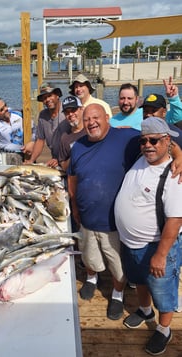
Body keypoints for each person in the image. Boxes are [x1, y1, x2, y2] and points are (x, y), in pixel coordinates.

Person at [67, 104, 182, 321]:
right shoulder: (79, 146)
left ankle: (118, 295)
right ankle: (92, 279)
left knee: (118, 267)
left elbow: (160, 137)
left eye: (96, 117)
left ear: (107, 118)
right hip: (87, 219)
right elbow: (72, 176)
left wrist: (178, 154)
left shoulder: (127, 138)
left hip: (113, 225)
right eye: (87, 119)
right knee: (91, 258)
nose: (91, 122)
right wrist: (74, 204)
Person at [114, 117, 182, 355]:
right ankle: (145, 310)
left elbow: (175, 219)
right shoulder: (141, 159)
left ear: (167, 141)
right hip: (131, 243)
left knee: (164, 292)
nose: (148, 145)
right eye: (143, 140)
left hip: (157, 247)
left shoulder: (173, 174)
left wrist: (161, 255)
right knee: (139, 280)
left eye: (154, 140)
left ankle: (164, 329)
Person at [24, 82, 70, 167]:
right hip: (55, 159)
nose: (47, 100)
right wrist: (31, 160)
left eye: (50, 96)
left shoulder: (68, 111)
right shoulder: (42, 115)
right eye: (44, 98)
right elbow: (40, 140)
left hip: (70, 158)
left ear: (57, 95)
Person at [110, 77, 182, 130]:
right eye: (122, 98)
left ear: (137, 99)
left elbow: (177, 116)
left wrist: (173, 98)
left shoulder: (148, 114)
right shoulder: (111, 121)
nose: (125, 102)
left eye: (129, 98)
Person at [58, 95, 86, 172]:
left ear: (82, 109)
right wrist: (76, 155)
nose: (70, 114)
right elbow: (63, 165)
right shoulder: (65, 138)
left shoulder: (91, 129)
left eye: (73, 110)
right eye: (67, 112)